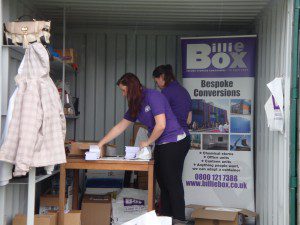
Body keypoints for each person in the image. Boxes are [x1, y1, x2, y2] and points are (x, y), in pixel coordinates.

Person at [97, 73, 189, 223]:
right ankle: (166, 219)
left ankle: (179, 220)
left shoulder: (153, 96)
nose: (123, 94)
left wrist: (147, 142)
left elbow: (161, 125)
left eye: (124, 90)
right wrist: (100, 143)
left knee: (172, 182)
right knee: (163, 183)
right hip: (161, 143)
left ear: (131, 88)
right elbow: (120, 126)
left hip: (175, 141)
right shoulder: (136, 104)